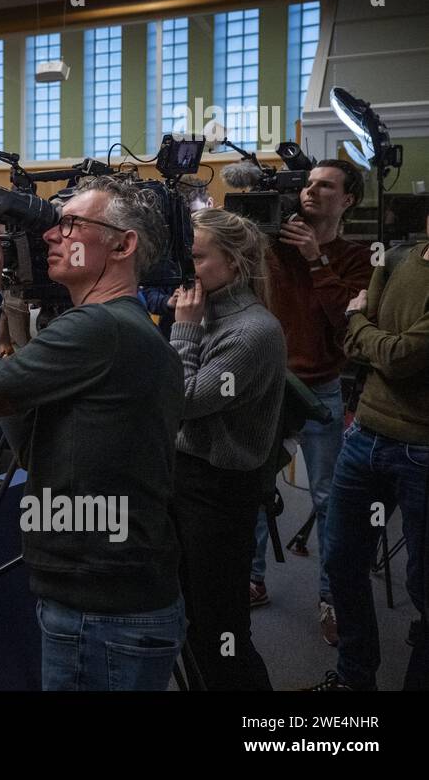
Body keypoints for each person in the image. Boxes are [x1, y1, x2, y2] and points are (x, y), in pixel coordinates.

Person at [0, 175, 186, 691]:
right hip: (106, 602)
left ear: (124, 245)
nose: (51, 236)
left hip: (100, 613)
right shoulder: (116, 326)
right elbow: (36, 449)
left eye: (72, 224)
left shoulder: (99, 329)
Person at [250, 160, 373, 647]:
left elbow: (346, 322)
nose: (311, 192)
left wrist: (317, 260)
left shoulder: (358, 259)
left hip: (321, 387)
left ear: (347, 200)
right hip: (269, 385)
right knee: (255, 487)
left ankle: (331, 597)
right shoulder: (271, 248)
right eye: (307, 184)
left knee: (329, 498)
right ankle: (251, 580)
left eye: (325, 186)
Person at [168, 209, 285, 691]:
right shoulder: (205, 310)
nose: (186, 267)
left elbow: (181, 400)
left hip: (219, 494)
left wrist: (184, 332)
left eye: (196, 256)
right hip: (186, 480)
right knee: (193, 622)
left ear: (234, 264)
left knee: (221, 631)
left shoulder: (252, 332)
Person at [312, 213, 429, 691]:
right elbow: (357, 347)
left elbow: (399, 359)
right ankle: (354, 679)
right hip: (365, 436)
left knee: (422, 587)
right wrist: (365, 332)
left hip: (422, 450)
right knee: (341, 561)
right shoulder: (397, 256)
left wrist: (358, 319)